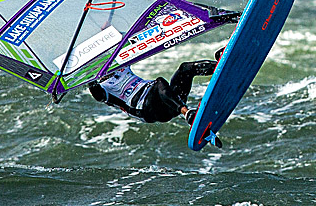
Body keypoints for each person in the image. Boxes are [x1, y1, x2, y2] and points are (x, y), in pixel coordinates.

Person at [88, 48, 225, 144]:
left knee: (185, 69)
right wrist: (90, 81)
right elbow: (98, 95)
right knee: (159, 82)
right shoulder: (103, 87)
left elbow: (118, 44)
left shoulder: (121, 67)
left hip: (169, 101)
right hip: (147, 110)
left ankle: (222, 64)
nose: (104, 65)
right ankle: (188, 114)